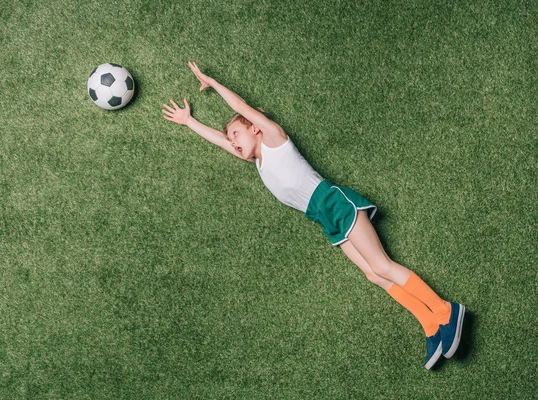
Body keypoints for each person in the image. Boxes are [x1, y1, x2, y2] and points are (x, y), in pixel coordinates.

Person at [162, 61, 465, 370]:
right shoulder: (259, 162)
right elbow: (221, 141)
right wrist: (189, 123)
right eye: (233, 139)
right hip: (324, 219)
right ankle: (430, 324)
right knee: (373, 274)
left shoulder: (274, 139)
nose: (234, 141)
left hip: (333, 203)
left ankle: (445, 311)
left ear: (255, 125)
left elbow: (240, 105)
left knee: (381, 264)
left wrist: (212, 82)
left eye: (237, 132)